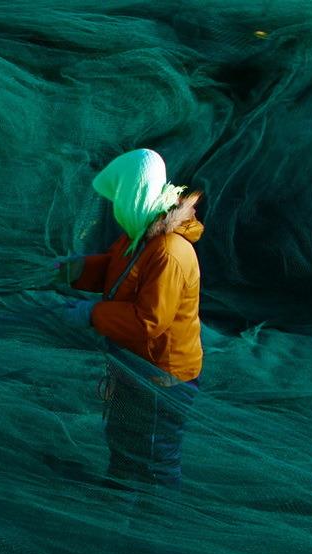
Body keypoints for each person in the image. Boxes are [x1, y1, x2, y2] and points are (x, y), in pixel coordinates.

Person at [58, 149, 205, 488]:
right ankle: (120, 511)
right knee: (124, 447)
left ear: (134, 194)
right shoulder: (140, 237)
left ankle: (154, 529)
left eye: (119, 197)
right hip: (134, 368)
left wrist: (90, 313)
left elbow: (148, 321)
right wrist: (69, 271)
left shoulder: (169, 251)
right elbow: (115, 269)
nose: (115, 207)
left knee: (155, 462)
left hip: (161, 378)